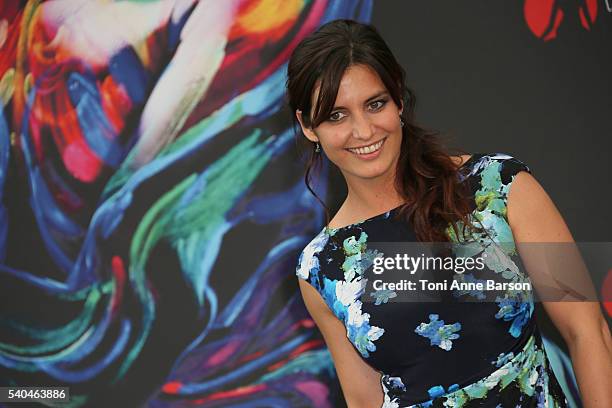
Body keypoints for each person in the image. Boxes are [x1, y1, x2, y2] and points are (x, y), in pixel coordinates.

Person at [285, 19, 612, 408]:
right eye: (336, 115)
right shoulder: (323, 268)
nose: (363, 130)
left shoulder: (497, 188)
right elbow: (364, 401)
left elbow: (587, 332)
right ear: (308, 126)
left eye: (376, 104)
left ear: (399, 101)